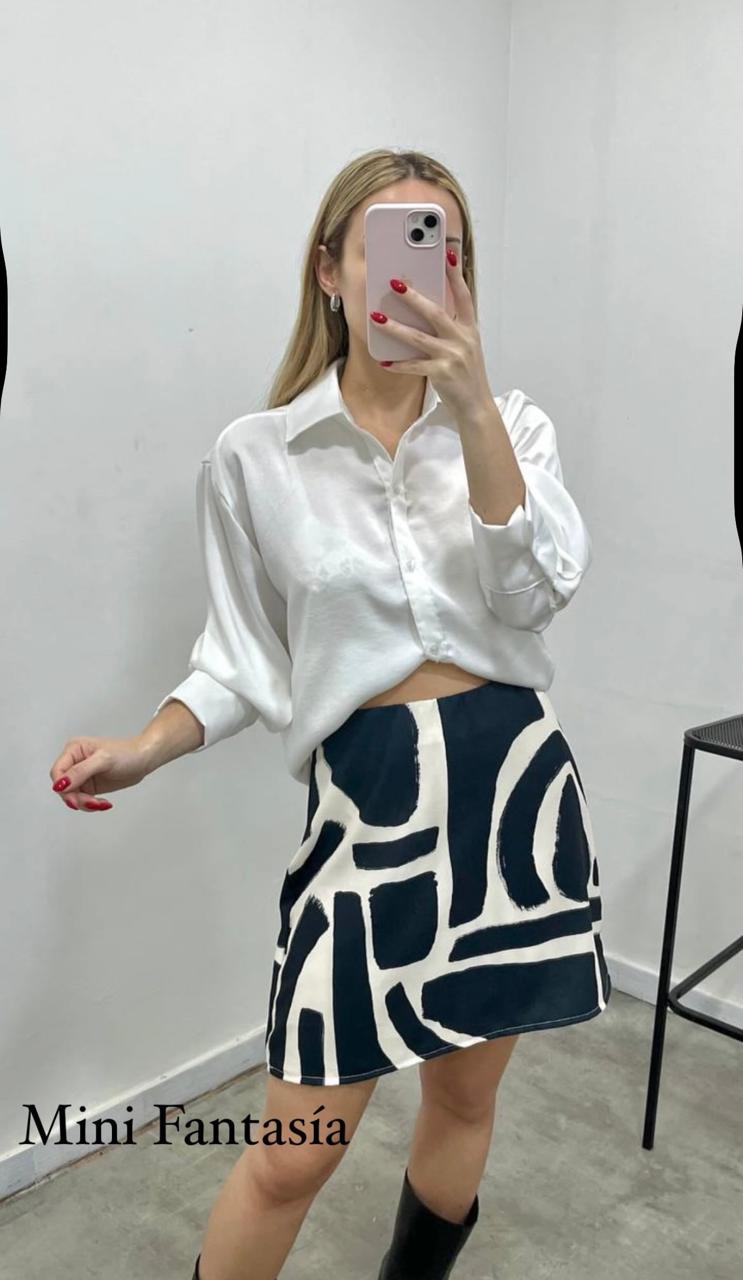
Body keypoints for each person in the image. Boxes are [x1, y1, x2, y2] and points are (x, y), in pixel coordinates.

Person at [49, 147, 611, 1280]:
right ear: (328, 271)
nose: (421, 272)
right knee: (290, 1156)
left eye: (445, 251)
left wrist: (473, 407)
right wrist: (143, 748)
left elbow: (531, 594)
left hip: (509, 795)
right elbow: (241, 658)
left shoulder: (512, 427)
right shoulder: (256, 457)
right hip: (368, 813)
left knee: (463, 1098)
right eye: (393, 245)